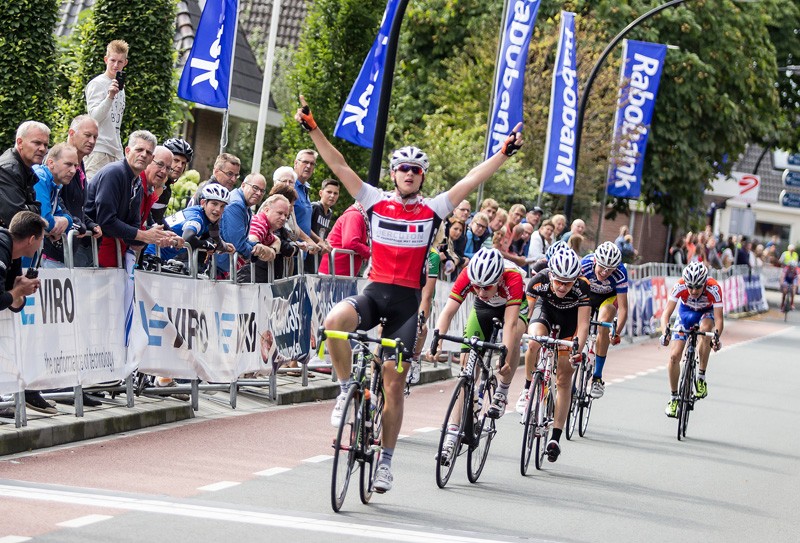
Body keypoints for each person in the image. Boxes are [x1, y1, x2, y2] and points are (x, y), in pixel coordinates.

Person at [296, 95, 523, 493]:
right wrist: (314, 129)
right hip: (374, 292)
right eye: (403, 169)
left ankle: (385, 461)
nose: (409, 175)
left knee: (393, 382)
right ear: (394, 173)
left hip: (405, 304)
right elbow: (338, 165)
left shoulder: (434, 208)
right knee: (334, 324)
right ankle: (347, 386)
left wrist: (503, 152)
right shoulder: (373, 199)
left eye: (416, 171)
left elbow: (471, 178)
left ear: (422, 177)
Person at [433, 249, 528, 456]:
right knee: (467, 369)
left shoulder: (512, 277)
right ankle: (452, 432)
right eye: (477, 287)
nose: (481, 290)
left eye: (486, 287)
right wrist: (438, 339)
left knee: (515, 335)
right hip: (484, 309)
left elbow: (510, 324)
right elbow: (448, 311)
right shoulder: (468, 274)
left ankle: (502, 390)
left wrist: (505, 355)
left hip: (513, 307)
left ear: (498, 278)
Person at [520, 248, 590, 462]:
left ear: (575, 279)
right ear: (551, 275)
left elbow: (584, 324)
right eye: (558, 281)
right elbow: (525, 315)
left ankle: (555, 438)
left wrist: (577, 350)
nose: (562, 287)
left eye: (567, 283)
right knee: (534, 342)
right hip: (545, 312)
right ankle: (527, 389)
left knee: (563, 380)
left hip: (570, 322)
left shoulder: (582, 286)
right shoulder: (538, 281)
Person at [84, 130, 177, 268]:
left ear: (151, 158)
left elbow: (133, 231)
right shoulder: (114, 173)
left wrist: (159, 237)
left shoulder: (137, 182)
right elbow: (106, 221)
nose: (143, 155)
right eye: (139, 149)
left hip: (110, 256)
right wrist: (145, 236)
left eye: (148, 152)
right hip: (89, 251)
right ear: (127, 151)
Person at [0, 211, 50, 414]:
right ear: (31, 239)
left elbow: (13, 303)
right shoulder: (2, 248)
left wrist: (20, 289)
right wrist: (19, 290)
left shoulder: (14, 252)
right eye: (41, 240)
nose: (41, 246)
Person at [659, 261, 723, 418]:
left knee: (706, 329)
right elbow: (666, 314)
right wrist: (665, 333)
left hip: (706, 314)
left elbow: (719, 319)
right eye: (690, 287)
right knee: (674, 356)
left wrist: (716, 337)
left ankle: (701, 376)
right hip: (685, 314)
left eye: (698, 287)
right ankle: (674, 398)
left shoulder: (714, 288)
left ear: (704, 283)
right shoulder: (679, 285)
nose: (694, 291)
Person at [579, 242, 628, 398]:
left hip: (608, 299)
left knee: (604, 321)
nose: (605, 272)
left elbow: (623, 308)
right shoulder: (584, 265)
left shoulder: (621, 273)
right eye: (602, 267)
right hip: (587, 296)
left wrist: (616, 332)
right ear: (595, 262)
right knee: (579, 322)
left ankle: (597, 377)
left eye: (610, 269)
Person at [144, 184, 233, 263]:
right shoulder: (196, 218)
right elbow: (187, 237)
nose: (218, 209)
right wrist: (207, 245)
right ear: (203, 203)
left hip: (162, 255)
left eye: (222, 206)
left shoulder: (208, 216)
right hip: (151, 251)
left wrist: (224, 247)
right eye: (214, 204)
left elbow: (215, 237)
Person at [84, 40, 128, 180]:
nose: (116, 65)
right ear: (106, 60)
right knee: (91, 192)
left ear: (125, 63)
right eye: (112, 60)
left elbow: (116, 123)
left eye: (120, 62)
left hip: (115, 151)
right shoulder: (97, 83)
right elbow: (94, 118)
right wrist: (110, 96)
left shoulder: (120, 88)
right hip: (99, 149)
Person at [62, 116, 102, 267]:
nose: (92, 141)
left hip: (72, 247)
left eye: (95, 137)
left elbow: (77, 206)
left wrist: (90, 223)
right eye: (87, 135)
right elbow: (55, 202)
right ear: (71, 133)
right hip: (54, 250)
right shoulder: (57, 160)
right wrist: (75, 223)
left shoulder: (81, 164)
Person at [32, 143, 79, 266]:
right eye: (68, 164)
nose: (73, 170)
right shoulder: (40, 177)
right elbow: (45, 221)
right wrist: (57, 223)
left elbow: (63, 216)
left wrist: (66, 221)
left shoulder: (54, 184)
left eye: (75, 165)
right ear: (51, 163)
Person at [217, 173, 270, 277]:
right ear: (243, 185)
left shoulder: (245, 205)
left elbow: (242, 239)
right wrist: (255, 252)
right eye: (255, 188)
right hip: (217, 267)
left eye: (262, 191)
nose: (259, 193)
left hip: (221, 266)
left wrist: (256, 245)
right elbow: (236, 243)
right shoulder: (236, 204)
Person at [0, 121, 49, 228]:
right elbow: (17, 218)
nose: (42, 149)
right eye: (37, 143)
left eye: (45, 145)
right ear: (20, 142)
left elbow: (37, 209)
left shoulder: (26, 169)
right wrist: (32, 209)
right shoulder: (8, 169)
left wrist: (29, 208)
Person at [243, 194, 292, 283]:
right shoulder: (260, 223)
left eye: (286, 215)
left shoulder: (268, 228)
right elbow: (252, 241)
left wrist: (272, 250)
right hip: (242, 274)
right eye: (280, 213)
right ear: (266, 210)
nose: (283, 218)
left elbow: (276, 240)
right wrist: (269, 252)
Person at [318, 202, 370, 277]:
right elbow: (350, 243)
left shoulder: (359, 215)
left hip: (340, 272)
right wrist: (371, 253)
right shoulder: (354, 215)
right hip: (336, 273)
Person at [150, 138, 194, 225]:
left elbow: (156, 220)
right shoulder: (151, 184)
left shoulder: (166, 189)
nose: (180, 166)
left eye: (183, 163)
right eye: (176, 160)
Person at [304, 178, 339, 273]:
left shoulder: (330, 213)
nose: (332, 196)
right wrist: (319, 241)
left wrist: (326, 243)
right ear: (321, 193)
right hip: (307, 254)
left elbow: (323, 233)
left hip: (317, 257)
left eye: (335, 193)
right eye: (329, 192)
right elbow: (305, 228)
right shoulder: (314, 207)